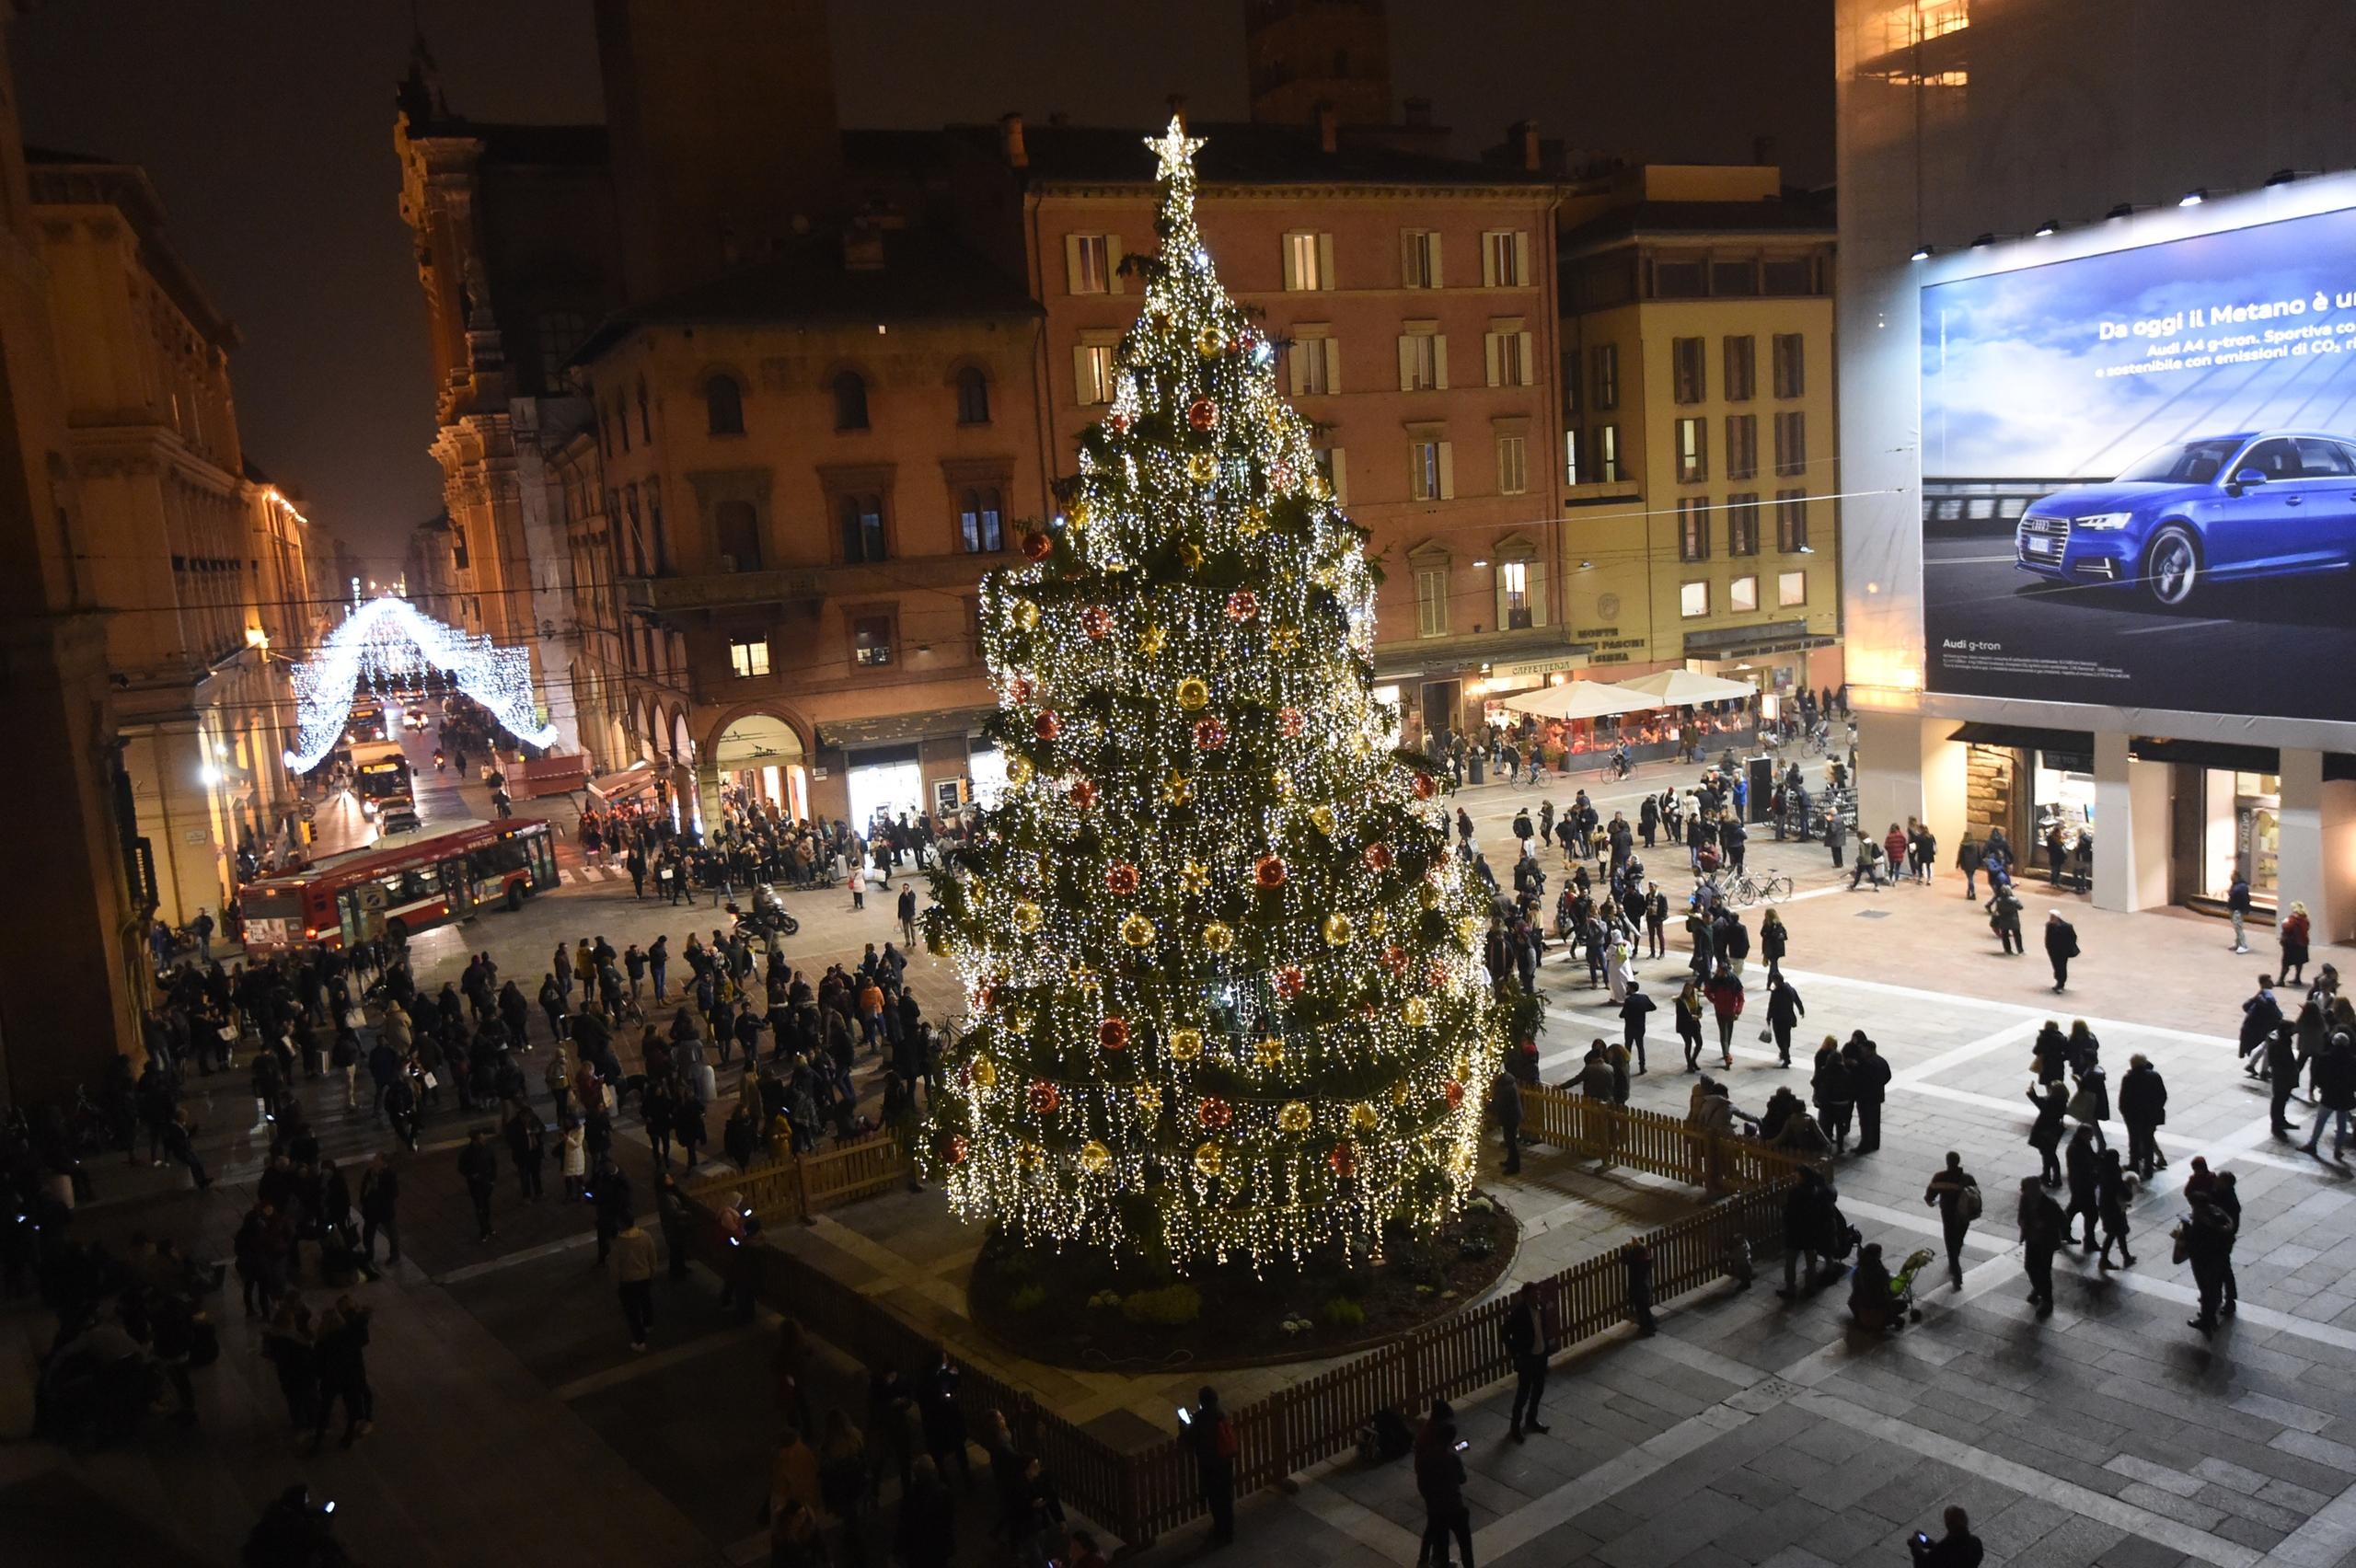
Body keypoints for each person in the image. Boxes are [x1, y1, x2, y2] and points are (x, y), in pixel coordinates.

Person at [1414, 1402, 1473, 1568]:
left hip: (1435, 1499)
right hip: (1453, 1505)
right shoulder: (1451, 1457)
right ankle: (1428, 1560)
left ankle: (1435, 1560)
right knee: (1464, 1545)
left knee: (1437, 1530)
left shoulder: (1429, 1439)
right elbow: (1462, 1479)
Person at [1185, 1385, 1236, 1547]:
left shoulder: (1201, 1418)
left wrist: (1185, 1426)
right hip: (1225, 1462)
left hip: (1210, 1465)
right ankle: (1228, 1530)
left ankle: (1220, 1532)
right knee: (1226, 1498)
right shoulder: (1222, 1414)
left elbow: (1190, 1438)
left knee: (1215, 1499)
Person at [1502, 1282, 1551, 1440]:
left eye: (1538, 1294)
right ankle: (1515, 1427)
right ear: (1525, 1297)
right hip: (1528, 1359)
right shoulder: (1519, 1313)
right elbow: (1504, 1332)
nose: (1537, 1298)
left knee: (1538, 1390)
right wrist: (1515, 1350)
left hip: (1540, 1356)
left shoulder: (1540, 1307)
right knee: (1523, 1394)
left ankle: (1531, 1420)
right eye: (1533, 1295)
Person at [1923, 1151, 1978, 1289]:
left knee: (1950, 1243)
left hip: (1949, 1216)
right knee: (1958, 1239)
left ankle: (1956, 1274)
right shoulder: (1968, 1179)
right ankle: (1955, 1257)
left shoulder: (1940, 1177)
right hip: (1964, 1216)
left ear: (1947, 1162)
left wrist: (1929, 1201)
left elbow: (1930, 1195)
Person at [2017, 1176, 2065, 1316]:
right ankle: (2038, 1288)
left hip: (2046, 1242)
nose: (2022, 1192)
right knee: (2030, 1267)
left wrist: (2045, 1225)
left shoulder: (2049, 1204)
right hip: (2032, 1239)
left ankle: (2047, 1300)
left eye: (2025, 1189)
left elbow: (2062, 1220)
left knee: (2044, 1271)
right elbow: (2021, 1216)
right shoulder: (2025, 1200)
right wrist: (2023, 1223)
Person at [610, 1214, 657, 1351]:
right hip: (644, 1276)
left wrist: (615, 1283)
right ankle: (648, 1324)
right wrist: (652, 1272)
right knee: (646, 1301)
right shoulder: (645, 1236)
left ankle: (639, 1340)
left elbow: (615, 1267)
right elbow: (652, 1256)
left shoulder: (618, 1243)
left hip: (628, 1281)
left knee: (632, 1312)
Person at [2118, 1055, 2167, 1180]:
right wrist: (2156, 1109)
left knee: (2134, 1142)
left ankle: (2134, 1166)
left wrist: (2125, 1114)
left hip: (2134, 1117)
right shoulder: (2154, 1076)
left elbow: (2124, 1099)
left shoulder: (2128, 1078)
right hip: (2151, 1116)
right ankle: (2148, 1169)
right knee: (2148, 1142)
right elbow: (2162, 1095)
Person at [2095, 1147, 2135, 1270]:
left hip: (2106, 1206)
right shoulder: (2114, 1173)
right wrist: (2129, 1193)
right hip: (2114, 1208)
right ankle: (2104, 1260)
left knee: (2118, 1232)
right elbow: (2123, 1190)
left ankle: (2126, 1256)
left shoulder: (2103, 1170)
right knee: (2114, 1233)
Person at [1910, 1505, 1985, 1568]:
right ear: (1966, 1520)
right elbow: (1953, 1553)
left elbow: (1924, 1565)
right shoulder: (1976, 1543)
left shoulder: (1941, 1550)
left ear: (1948, 1525)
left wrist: (1916, 1549)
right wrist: (1931, 1544)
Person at [457, 1129, 498, 1241]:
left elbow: (493, 1164)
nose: (484, 1139)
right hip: (476, 1185)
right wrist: (471, 1175)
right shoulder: (467, 1154)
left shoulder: (488, 1149)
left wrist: (493, 1179)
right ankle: (484, 1230)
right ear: (475, 1140)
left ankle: (487, 1226)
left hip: (487, 1182)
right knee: (480, 1207)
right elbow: (461, 1168)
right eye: (481, 1138)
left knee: (486, 1206)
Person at [1764, 973, 1804, 1067]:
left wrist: (1768, 1017)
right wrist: (1801, 1011)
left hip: (1778, 1019)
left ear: (1776, 981)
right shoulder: (1790, 989)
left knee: (1780, 1039)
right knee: (1786, 1037)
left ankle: (1786, 1058)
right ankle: (1784, 1053)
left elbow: (1771, 1006)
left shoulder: (1776, 992)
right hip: (1788, 1018)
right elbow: (1797, 1001)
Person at [1491, 1067, 1523, 1175]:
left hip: (1511, 1117)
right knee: (1509, 1140)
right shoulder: (1505, 1083)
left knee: (1511, 1142)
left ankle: (1514, 1166)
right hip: (1510, 1116)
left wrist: (1491, 1106)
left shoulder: (1505, 1087)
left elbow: (1501, 1104)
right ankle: (1510, 1161)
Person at [2044, 908, 2078, 994]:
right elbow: (2048, 937)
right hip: (2053, 950)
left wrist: (2067, 946)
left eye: (2053, 917)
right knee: (2056, 966)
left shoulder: (2067, 926)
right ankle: (2058, 981)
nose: (2051, 919)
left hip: (2063, 951)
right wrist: (2048, 947)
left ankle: (2061, 984)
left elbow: (2073, 937)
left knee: (2062, 967)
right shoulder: (2049, 925)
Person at [2281, 901, 2312, 986]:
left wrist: (2284, 922)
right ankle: (2297, 978)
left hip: (2292, 944)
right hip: (2302, 944)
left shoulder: (2293, 919)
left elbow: (2287, 927)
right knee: (2299, 963)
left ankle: (2281, 980)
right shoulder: (2305, 919)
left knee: (2286, 963)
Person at [2225, 869, 2254, 953]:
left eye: (2232, 876)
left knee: (2238, 927)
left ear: (2236, 876)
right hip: (2233, 908)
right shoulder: (2235, 885)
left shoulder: (2242, 886)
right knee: (2236, 927)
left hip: (2238, 909)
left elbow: (2245, 899)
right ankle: (2238, 943)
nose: (2231, 878)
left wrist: (2246, 910)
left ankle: (2243, 945)